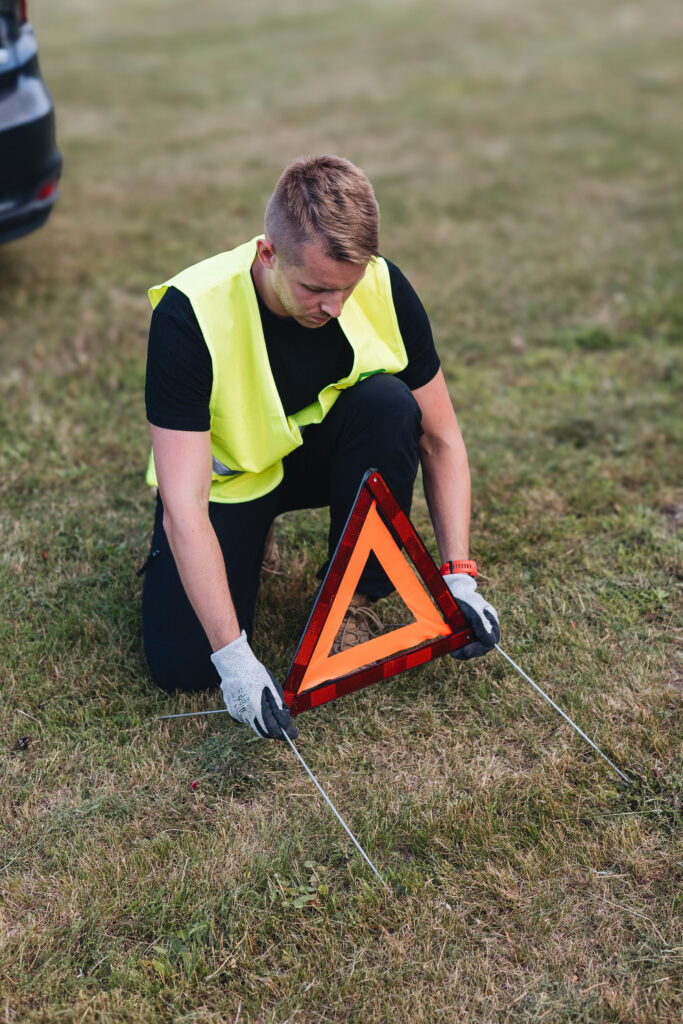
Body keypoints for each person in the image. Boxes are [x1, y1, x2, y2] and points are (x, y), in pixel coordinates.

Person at [141, 155, 500, 741]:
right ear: (267, 254)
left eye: (346, 288)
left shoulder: (382, 283)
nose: (333, 307)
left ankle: (350, 597)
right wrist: (233, 660)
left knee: (390, 406)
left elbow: (442, 439)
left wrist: (459, 577)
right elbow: (184, 504)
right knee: (184, 668)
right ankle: (251, 544)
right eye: (314, 288)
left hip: (325, 454)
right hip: (229, 485)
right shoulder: (191, 313)